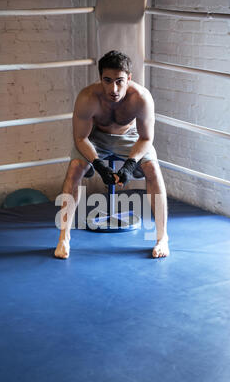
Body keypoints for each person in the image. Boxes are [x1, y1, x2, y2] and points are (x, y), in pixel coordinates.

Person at [54, 50, 169, 259]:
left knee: (152, 168)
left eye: (119, 81)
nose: (114, 89)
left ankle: (162, 238)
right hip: (96, 138)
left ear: (129, 79)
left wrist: (129, 166)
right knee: (74, 169)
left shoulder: (141, 98)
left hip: (131, 138)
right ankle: (64, 238)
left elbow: (146, 138)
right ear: (100, 78)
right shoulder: (88, 97)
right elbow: (80, 138)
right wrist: (98, 164)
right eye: (107, 80)